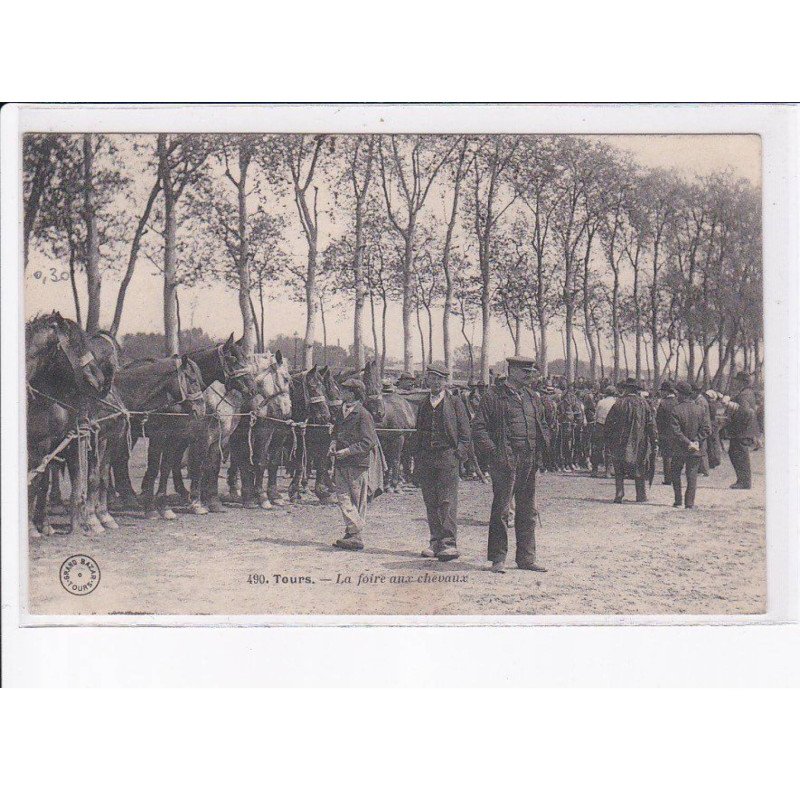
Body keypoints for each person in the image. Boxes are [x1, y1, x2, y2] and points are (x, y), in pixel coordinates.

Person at [471, 356, 550, 573]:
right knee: (502, 511)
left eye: (530, 371)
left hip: (528, 461)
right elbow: (478, 428)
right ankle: (498, 559)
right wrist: (494, 452)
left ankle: (526, 558)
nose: (529, 375)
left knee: (528, 510)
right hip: (504, 461)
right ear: (512, 371)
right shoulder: (493, 396)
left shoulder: (532, 397)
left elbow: (542, 424)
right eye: (525, 371)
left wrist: (542, 447)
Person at [415, 366, 471, 562]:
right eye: (432, 378)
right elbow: (418, 433)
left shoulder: (455, 403)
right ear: (427, 380)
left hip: (447, 457)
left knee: (447, 501)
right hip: (427, 459)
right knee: (431, 501)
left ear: (445, 382)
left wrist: (458, 454)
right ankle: (434, 541)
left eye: (440, 379)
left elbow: (465, 433)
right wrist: (418, 458)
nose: (436, 382)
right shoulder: (424, 404)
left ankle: (448, 543)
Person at [329, 378, 379, 551]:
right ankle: (355, 532)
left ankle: (353, 534)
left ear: (353, 393)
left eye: (345, 390)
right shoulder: (341, 411)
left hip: (357, 463)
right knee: (343, 497)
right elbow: (336, 431)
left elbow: (368, 441)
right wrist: (333, 443)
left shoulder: (363, 414)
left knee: (357, 500)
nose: (341, 393)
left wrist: (348, 451)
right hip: (341, 462)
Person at [604, 377, 657, 503]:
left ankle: (619, 493)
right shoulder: (644, 404)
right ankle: (641, 495)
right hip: (639, 441)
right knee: (639, 466)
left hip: (620, 440)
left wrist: (609, 439)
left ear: (626, 389)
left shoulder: (619, 403)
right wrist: (654, 440)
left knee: (619, 468)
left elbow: (609, 423)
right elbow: (651, 424)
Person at [669, 381, 711, 509]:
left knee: (675, 474)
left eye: (677, 393)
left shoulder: (676, 410)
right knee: (692, 476)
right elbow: (707, 429)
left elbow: (676, 432)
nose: (676, 396)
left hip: (679, 449)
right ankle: (689, 503)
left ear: (681, 394)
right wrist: (695, 441)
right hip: (695, 449)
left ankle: (678, 500)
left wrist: (688, 442)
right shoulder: (700, 410)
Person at [723, 371, 759, 490]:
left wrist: (732, 421)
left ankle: (744, 482)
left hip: (741, 430)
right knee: (736, 453)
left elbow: (745, 412)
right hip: (745, 430)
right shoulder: (747, 392)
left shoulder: (743, 395)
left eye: (737, 380)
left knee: (739, 454)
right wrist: (729, 398)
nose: (735, 382)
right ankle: (742, 480)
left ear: (742, 382)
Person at [591, 386, 617, 477]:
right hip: (611, 427)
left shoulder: (601, 402)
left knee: (597, 448)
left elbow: (596, 415)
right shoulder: (615, 402)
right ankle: (608, 471)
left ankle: (594, 470)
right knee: (609, 448)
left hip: (600, 425)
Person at [655, 381, 678, 484]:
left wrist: (658, 432)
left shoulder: (663, 403)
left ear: (666, 392)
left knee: (667, 457)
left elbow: (658, 420)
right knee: (675, 456)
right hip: (677, 433)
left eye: (662, 391)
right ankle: (675, 477)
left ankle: (668, 479)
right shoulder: (678, 402)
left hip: (665, 433)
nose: (661, 393)